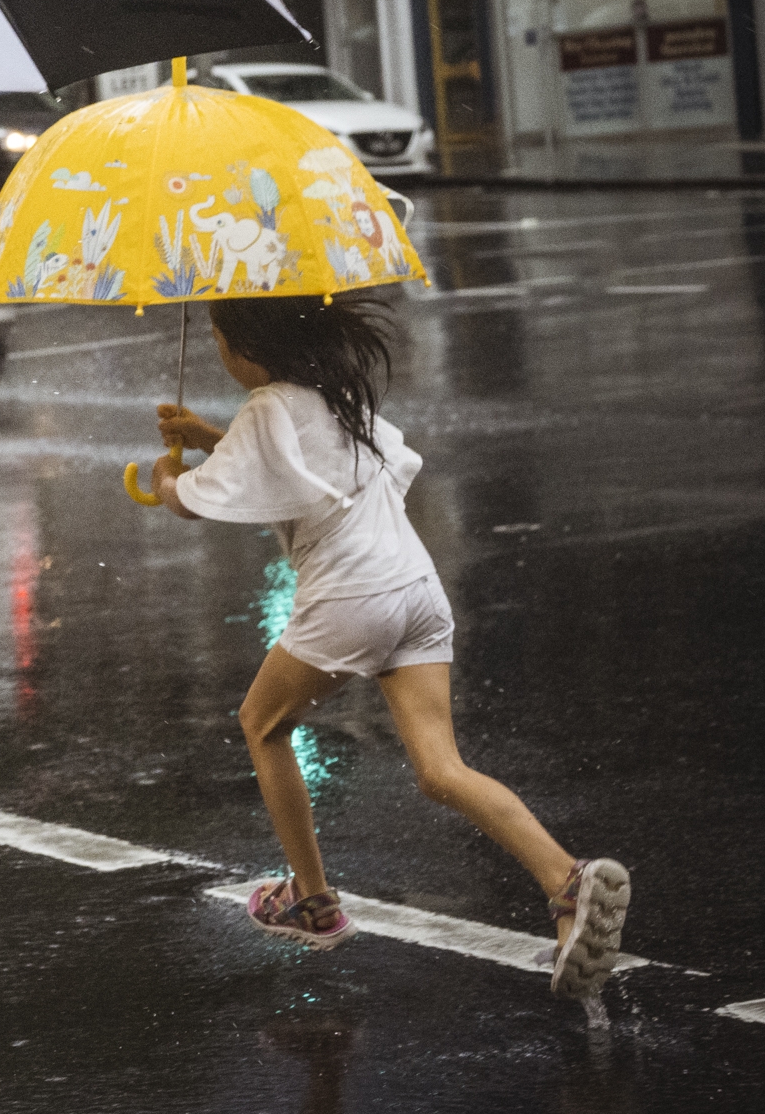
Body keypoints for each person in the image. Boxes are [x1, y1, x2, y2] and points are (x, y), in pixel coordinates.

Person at [148, 292, 632, 1000]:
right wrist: (206, 432)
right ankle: (568, 882)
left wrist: (165, 480)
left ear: (245, 347)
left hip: (352, 599)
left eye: (221, 339)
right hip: (416, 592)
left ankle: (310, 902)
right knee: (441, 770)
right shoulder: (332, 396)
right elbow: (295, 466)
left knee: (262, 724)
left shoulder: (267, 407)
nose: (219, 353)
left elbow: (196, 499)